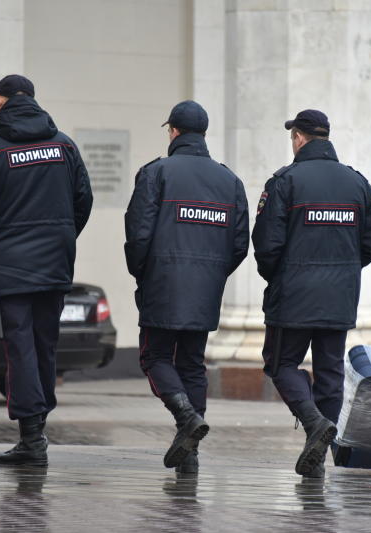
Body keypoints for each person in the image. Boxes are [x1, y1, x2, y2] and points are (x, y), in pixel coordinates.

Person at [0, 74, 92, 466]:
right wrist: (60, 236)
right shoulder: (63, 145)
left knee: (19, 346)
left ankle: (32, 439)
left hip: (10, 268)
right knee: (44, 343)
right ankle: (37, 428)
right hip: (53, 262)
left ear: (1, 100)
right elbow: (83, 200)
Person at [252, 109, 371, 478]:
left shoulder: (284, 181)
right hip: (339, 295)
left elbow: (266, 245)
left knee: (280, 364)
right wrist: (340, 273)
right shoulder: (358, 184)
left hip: (292, 295)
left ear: (299, 138)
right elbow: (368, 248)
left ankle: (313, 424)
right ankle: (318, 456)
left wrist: (278, 277)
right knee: (329, 373)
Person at [124, 100, 249, 474]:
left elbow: (137, 233)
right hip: (205, 288)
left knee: (155, 357)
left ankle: (185, 420)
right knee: (193, 363)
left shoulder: (156, 173)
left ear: (173, 132)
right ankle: (190, 453)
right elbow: (240, 243)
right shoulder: (230, 181)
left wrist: (141, 273)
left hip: (162, 283)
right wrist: (213, 274)